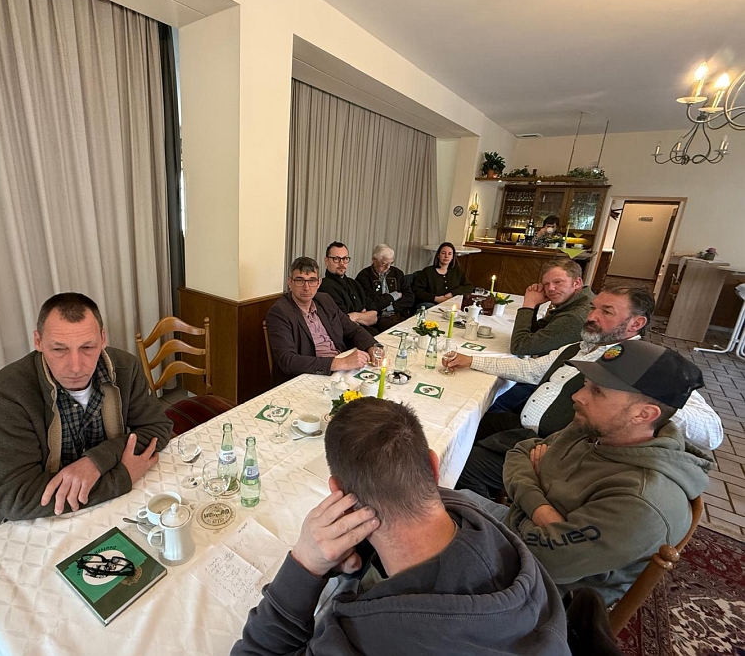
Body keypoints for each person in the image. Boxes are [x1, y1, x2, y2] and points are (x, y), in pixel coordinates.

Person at [232, 398, 571, 656]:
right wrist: (360, 550)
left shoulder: (360, 638)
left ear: (338, 492)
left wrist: (304, 566)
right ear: (434, 468)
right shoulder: (485, 524)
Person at [460, 341, 713, 605]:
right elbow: (520, 452)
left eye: (597, 391)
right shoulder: (597, 430)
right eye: (585, 383)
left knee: (433, 555)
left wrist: (533, 485)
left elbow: (544, 559)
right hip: (519, 529)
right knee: (442, 498)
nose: (578, 396)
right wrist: (542, 510)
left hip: (541, 588)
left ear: (643, 414)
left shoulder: (641, 499)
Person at [452, 282, 722, 499]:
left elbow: (712, 433)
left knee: (462, 463)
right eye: (593, 308)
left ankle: (490, 525)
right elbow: (531, 369)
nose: (591, 317)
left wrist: (649, 396)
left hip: (556, 454)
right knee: (461, 425)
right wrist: (471, 360)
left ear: (636, 324)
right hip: (523, 429)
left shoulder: (646, 365)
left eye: (607, 312)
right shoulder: (579, 347)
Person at [0, 293, 172, 529]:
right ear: (38, 341)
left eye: (87, 347)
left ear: (103, 339)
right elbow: (17, 498)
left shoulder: (125, 367)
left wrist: (96, 461)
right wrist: (122, 477)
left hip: (108, 506)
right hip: (41, 520)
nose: (76, 367)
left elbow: (157, 428)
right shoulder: (4, 395)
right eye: (59, 349)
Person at [266, 257, 377, 384]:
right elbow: (287, 361)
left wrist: (372, 347)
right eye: (300, 280)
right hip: (307, 376)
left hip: (338, 370)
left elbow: (353, 329)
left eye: (312, 280)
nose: (306, 287)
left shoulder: (325, 300)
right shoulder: (279, 312)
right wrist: (341, 362)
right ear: (290, 282)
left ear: (319, 283)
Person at [509, 258, 594, 357]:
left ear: (577, 283)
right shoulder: (574, 302)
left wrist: (529, 304)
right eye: (546, 284)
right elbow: (535, 333)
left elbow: (519, 347)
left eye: (558, 282)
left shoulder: (574, 317)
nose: (550, 288)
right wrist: (535, 305)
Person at [317, 242, 378, 333]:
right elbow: (343, 322)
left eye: (345, 258)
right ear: (326, 261)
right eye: (336, 259)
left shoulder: (354, 283)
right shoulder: (325, 287)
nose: (342, 263)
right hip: (350, 337)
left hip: (369, 333)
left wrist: (355, 316)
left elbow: (374, 316)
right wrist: (363, 315)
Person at [354, 244, 415, 332]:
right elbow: (371, 303)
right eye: (384, 263)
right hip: (378, 319)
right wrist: (395, 295)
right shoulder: (364, 276)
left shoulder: (397, 273)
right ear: (374, 260)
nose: (388, 267)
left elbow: (410, 297)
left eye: (390, 263)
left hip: (399, 315)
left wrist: (390, 307)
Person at [411, 241, 473, 309]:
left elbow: (469, 287)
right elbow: (417, 291)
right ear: (438, 255)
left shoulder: (457, 272)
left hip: (451, 305)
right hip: (430, 304)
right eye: (443, 253)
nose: (446, 256)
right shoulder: (428, 271)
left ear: (452, 257)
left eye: (449, 254)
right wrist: (435, 298)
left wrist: (452, 293)